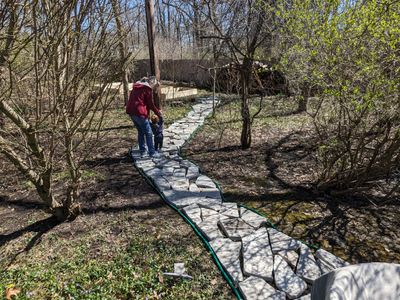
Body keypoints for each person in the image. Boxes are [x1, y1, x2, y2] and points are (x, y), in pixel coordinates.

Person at [126, 76, 162, 157]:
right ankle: (152, 153)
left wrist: (148, 116)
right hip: (139, 113)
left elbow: (144, 103)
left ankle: (142, 151)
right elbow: (150, 104)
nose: (153, 88)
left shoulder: (136, 87)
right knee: (148, 133)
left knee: (141, 131)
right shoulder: (147, 89)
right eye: (154, 86)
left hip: (131, 112)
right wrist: (158, 113)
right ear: (151, 83)